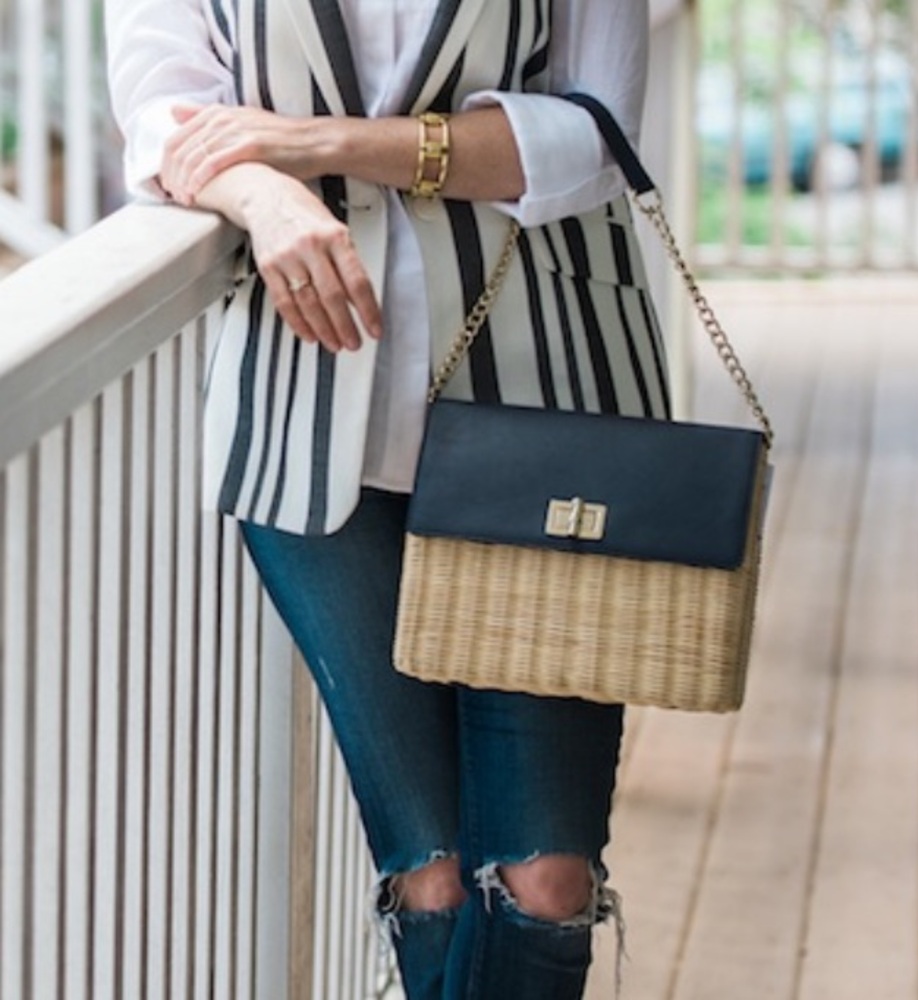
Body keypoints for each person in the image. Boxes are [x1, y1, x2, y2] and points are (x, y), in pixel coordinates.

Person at [106, 3, 671, 997]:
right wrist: (269, 199)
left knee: (546, 875)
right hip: (311, 417)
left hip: (546, 412)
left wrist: (323, 146)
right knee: (431, 876)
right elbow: (164, 120)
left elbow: (590, 133)